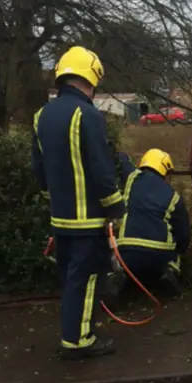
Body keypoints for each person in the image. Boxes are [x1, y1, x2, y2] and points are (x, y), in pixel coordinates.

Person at [31, 46, 125, 360]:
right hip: (88, 219)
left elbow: (39, 168)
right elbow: (101, 167)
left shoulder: (41, 116)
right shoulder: (88, 115)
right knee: (84, 280)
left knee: (70, 279)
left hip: (61, 218)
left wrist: (53, 199)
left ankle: (76, 331)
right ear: (90, 77)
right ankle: (78, 341)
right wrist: (115, 206)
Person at [114, 148, 190, 300]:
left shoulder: (131, 178)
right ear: (165, 169)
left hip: (127, 251)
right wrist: (180, 251)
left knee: (113, 251)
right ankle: (169, 273)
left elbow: (120, 159)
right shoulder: (174, 197)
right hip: (159, 255)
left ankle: (116, 278)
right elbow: (183, 235)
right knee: (175, 247)